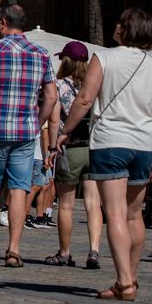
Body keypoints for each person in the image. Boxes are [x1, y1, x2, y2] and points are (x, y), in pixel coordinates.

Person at [56, 8, 152, 302]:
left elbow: (84, 98)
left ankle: (124, 282)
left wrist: (66, 130)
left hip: (111, 142)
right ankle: (130, 278)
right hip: (144, 145)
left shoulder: (104, 57)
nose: (115, 25)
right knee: (135, 215)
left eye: (119, 22)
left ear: (126, 29)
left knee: (116, 213)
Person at [0, 4, 58, 269]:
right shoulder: (41, 53)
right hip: (25, 131)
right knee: (20, 188)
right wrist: (37, 122)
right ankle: (14, 250)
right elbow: (50, 97)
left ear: (4, 23)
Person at [46, 42, 104, 270]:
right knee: (93, 203)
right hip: (94, 147)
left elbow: (53, 119)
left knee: (67, 205)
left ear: (66, 61)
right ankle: (94, 251)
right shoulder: (96, 85)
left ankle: (65, 252)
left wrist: (52, 147)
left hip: (68, 148)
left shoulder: (58, 86)